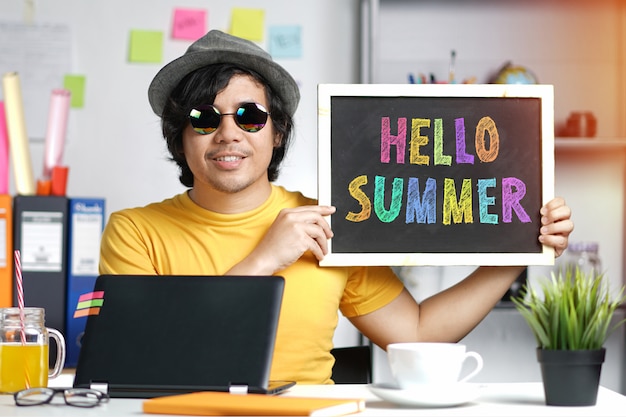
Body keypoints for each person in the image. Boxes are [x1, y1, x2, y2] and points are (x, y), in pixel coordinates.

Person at [99, 30, 574, 384]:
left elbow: (417, 333)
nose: (228, 134)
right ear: (181, 138)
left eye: (249, 115)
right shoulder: (135, 231)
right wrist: (264, 259)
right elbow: (138, 357)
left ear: (277, 132)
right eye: (203, 118)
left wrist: (518, 252)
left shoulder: (330, 225)